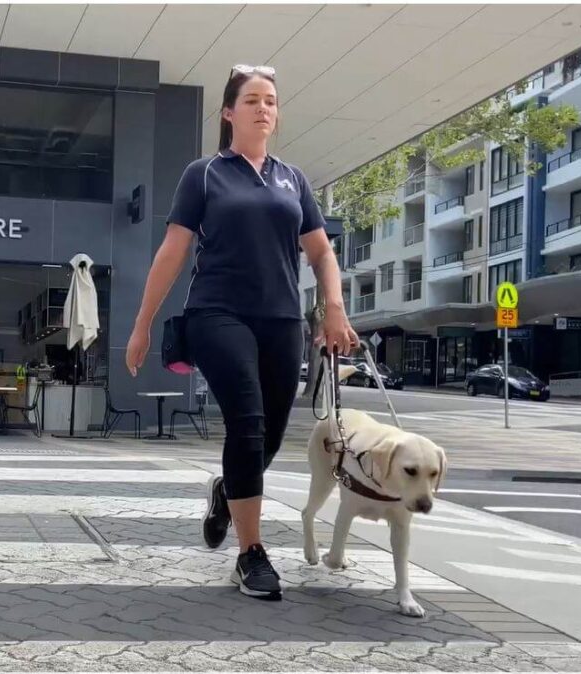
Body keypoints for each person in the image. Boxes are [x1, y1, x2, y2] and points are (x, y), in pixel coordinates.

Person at [125, 64, 358, 601]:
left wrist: (334, 309)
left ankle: (226, 494)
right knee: (247, 421)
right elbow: (172, 251)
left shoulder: (292, 179)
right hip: (216, 313)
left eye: (271, 101)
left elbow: (321, 252)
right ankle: (251, 555)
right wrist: (141, 325)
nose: (263, 108)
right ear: (229, 112)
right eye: (251, 99)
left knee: (270, 435)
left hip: (280, 320)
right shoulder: (205, 173)